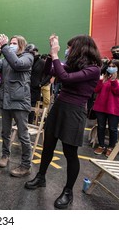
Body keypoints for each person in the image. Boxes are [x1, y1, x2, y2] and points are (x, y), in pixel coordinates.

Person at [25, 34, 102, 209]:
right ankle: (41, 177)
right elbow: (50, 71)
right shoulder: (73, 66)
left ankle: (68, 192)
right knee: (48, 146)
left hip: (74, 112)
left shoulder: (94, 69)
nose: (68, 51)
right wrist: (51, 53)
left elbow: (64, 78)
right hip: (59, 107)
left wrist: (55, 55)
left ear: (81, 49)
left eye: (71, 47)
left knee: (70, 153)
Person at [0, 34, 34, 177]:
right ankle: (5, 155)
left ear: (21, 45)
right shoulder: (5, 58)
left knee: (23, 135)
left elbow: (17, 64)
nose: (11, 45)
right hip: (6, 101)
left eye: (14, 43)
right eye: (10, 43)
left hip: (20, 102)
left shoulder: (28, 57)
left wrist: (4, 47)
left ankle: (26, 165)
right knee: (5, 132)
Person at [92, 59, 119, 157]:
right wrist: (100, 81)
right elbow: (96, 90)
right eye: (110, 66)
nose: (111, 68)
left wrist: (114, 81)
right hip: (101, 107)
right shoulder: (105, 77)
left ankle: (111, 147)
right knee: (101, 127)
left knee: (113, 129)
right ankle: (101, 145)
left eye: (114, 66)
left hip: (114, 108)